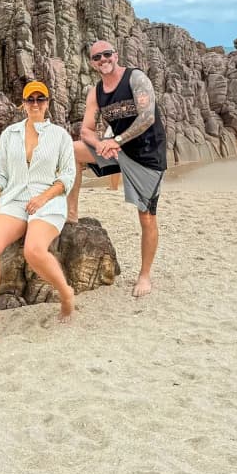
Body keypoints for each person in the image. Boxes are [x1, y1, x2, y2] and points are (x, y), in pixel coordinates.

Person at [0, 80, 77, 342]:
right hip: (15, 199)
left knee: (33, 250)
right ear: (23, 104)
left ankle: (66, 294)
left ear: (47, 103)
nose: (35, 104)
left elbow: (67, 176)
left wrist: (43, 198)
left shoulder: (60, 136)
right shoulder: (10, 134)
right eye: (30, 99)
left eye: (40, 99)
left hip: (49, 200)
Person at [67, 40, 166, 298]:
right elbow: (86, 130)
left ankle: (145, 275)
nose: (103, 60)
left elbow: (147, 117)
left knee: (147, 216)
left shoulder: (135, 78)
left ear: (116, 55)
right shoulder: (96, 93)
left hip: (146, 154)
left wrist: (117, 140)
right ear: (92, 63)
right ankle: (71, 214)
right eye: (97, 57)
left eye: (107, 54)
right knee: (71, 150)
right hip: (115, 149)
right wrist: (100, 144)